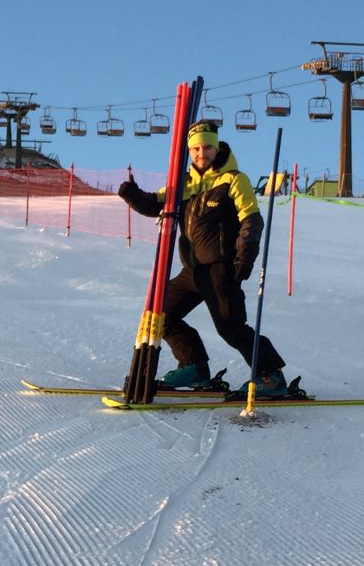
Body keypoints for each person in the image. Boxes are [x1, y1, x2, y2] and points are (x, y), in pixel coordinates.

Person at [118, 120, 288, 395]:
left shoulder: (233, 179)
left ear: (216, 146)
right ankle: (194, 368)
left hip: (222, 267)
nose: (201, 153)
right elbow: (157, 204)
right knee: (162, 315)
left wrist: (245, 257)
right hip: (192, 271)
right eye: (195, 148)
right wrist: (132, 195)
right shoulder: (184, 183)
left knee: (231, 328)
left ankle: (271, 376)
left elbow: (251, 220)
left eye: (207, 147)